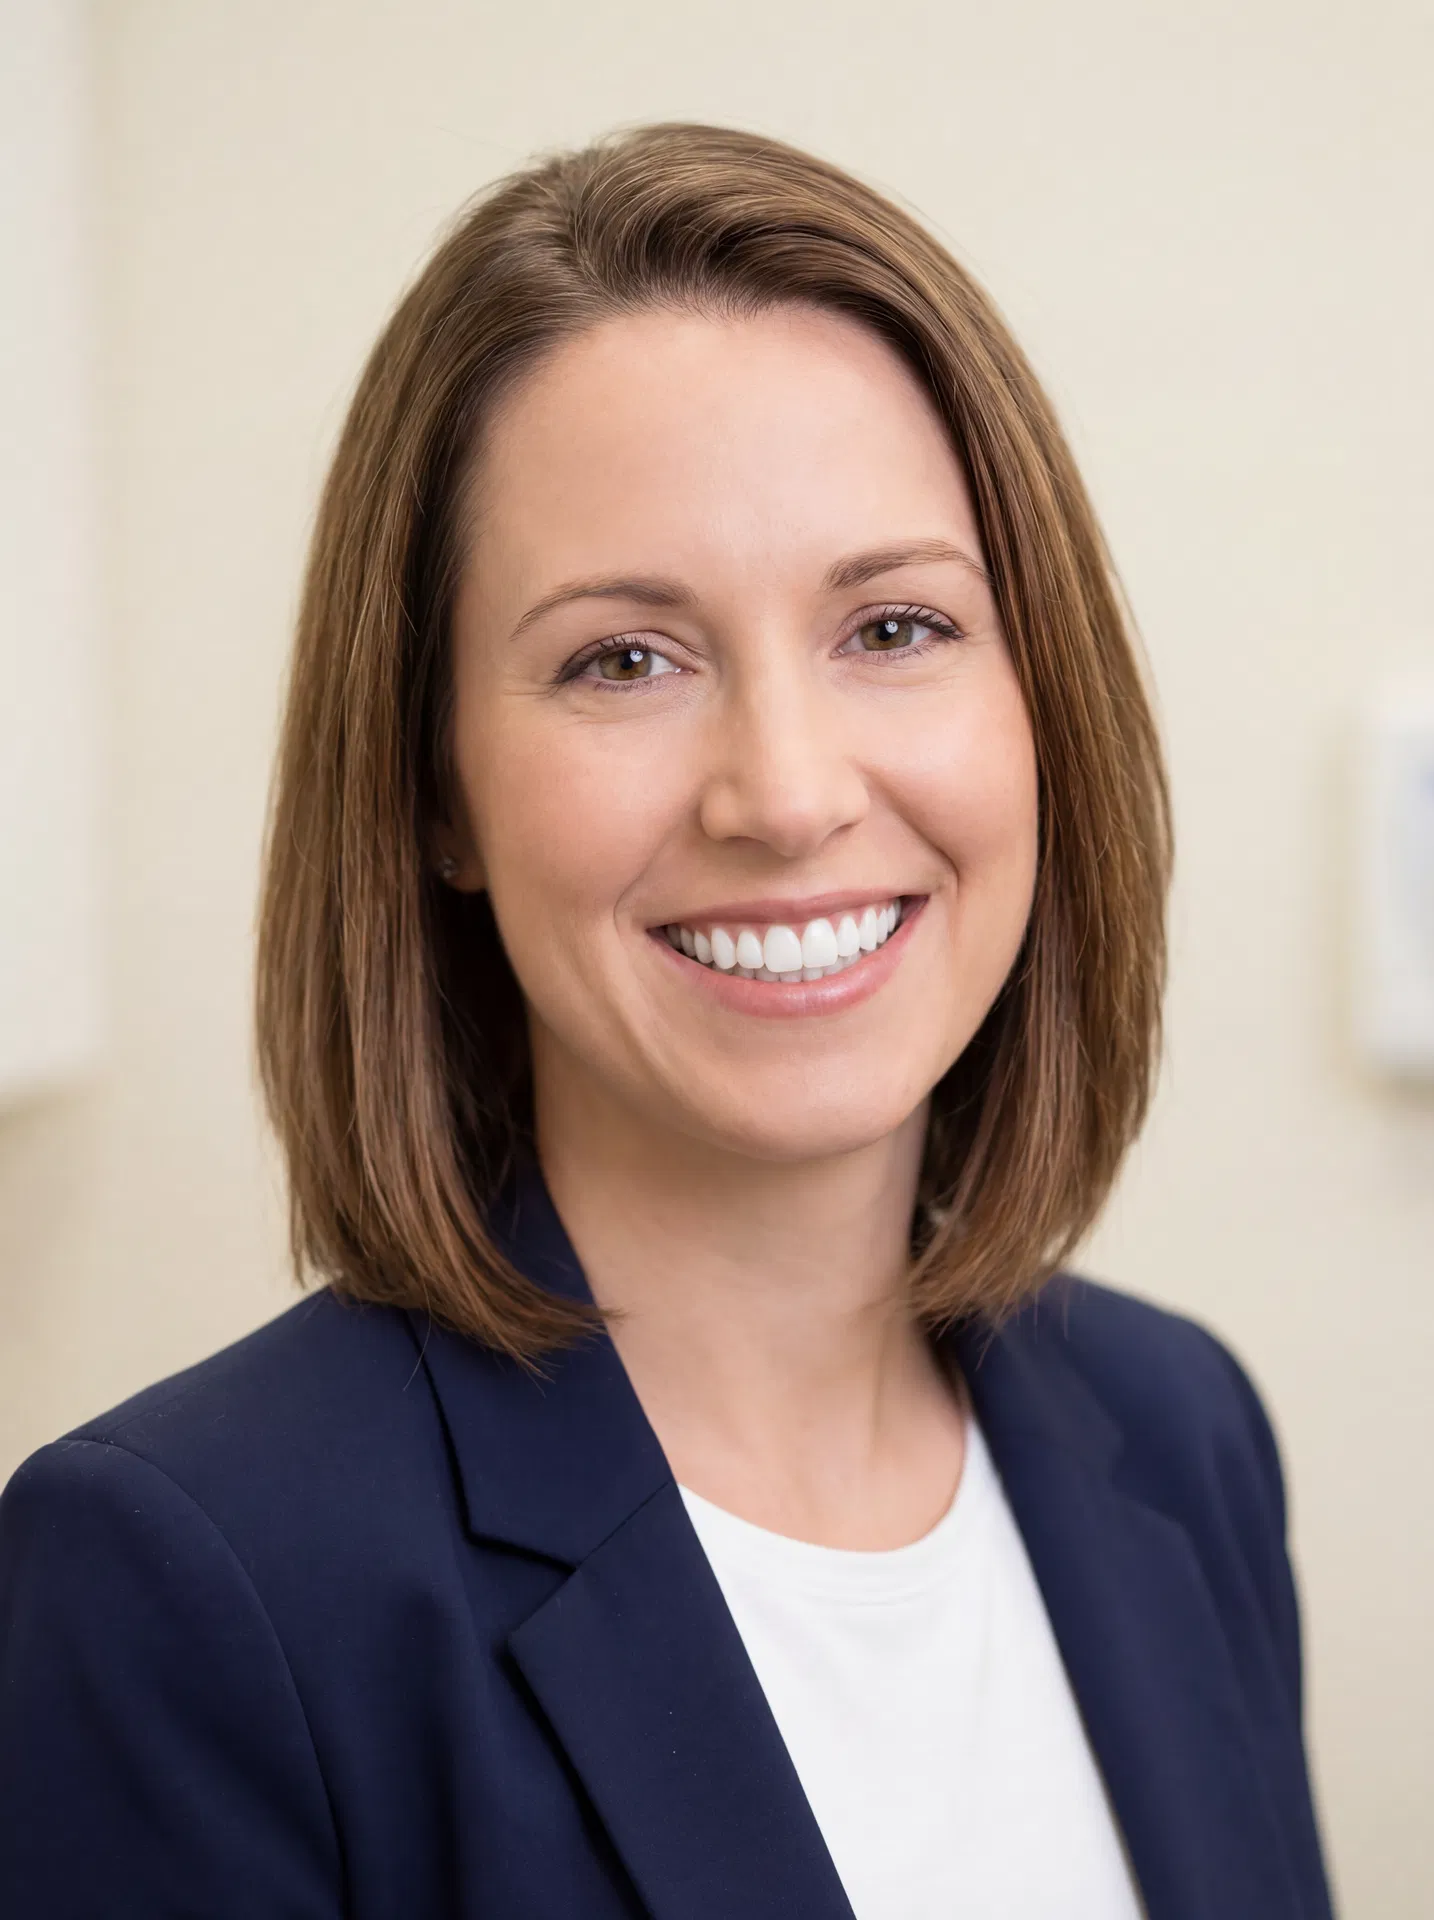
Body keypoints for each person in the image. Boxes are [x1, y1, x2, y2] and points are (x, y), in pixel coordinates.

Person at [0, 123, 1333, 1920]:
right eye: (622, 659)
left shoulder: (1181, 1432)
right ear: (436, 793)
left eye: (894, 624)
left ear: (1043, 704)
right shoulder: (182, 1586)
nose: (784, 795)